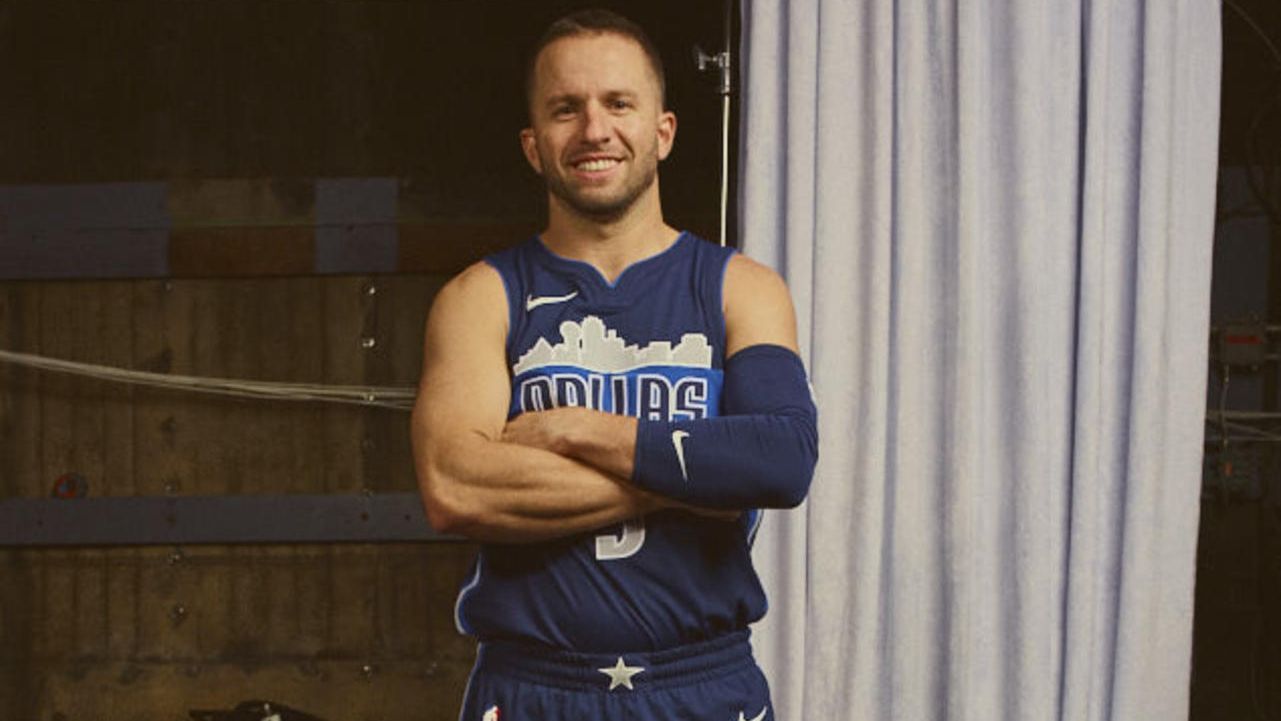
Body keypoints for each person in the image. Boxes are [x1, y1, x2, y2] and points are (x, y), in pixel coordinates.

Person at [410, 9, 817, 720]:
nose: (594, 129)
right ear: (533, 145)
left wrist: (579, 430)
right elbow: (455, 487)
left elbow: (779, 461)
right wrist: (697, 478)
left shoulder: (740, 288)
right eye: (566, 109)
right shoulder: (481, 297)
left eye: (618, 103)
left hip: (703, 684)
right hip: (533, 688)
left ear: (663, 132)